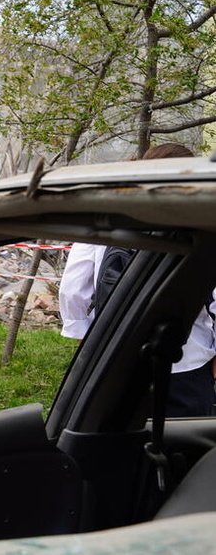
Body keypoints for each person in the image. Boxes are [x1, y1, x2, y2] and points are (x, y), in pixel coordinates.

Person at [58, 142, 216, 417]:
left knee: (116, 442)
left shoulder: (109, 219)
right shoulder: (203, 224)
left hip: (115, 358)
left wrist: (85, 335)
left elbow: (73, 287)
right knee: (188, 448)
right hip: (186, 362)